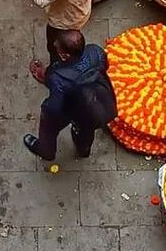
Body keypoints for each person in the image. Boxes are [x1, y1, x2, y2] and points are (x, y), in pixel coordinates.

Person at [24, 29, 116, 162]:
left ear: (65, 56)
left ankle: (46, 151)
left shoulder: (58, 77)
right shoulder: (95, 51)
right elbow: (104, 67)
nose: (55, 44)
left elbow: (55, 107)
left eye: (58, 46)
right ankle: (83, 150)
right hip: (100, 106)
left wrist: (46, 110)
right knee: (86, 129)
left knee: (48, 129)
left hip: (73, 110)